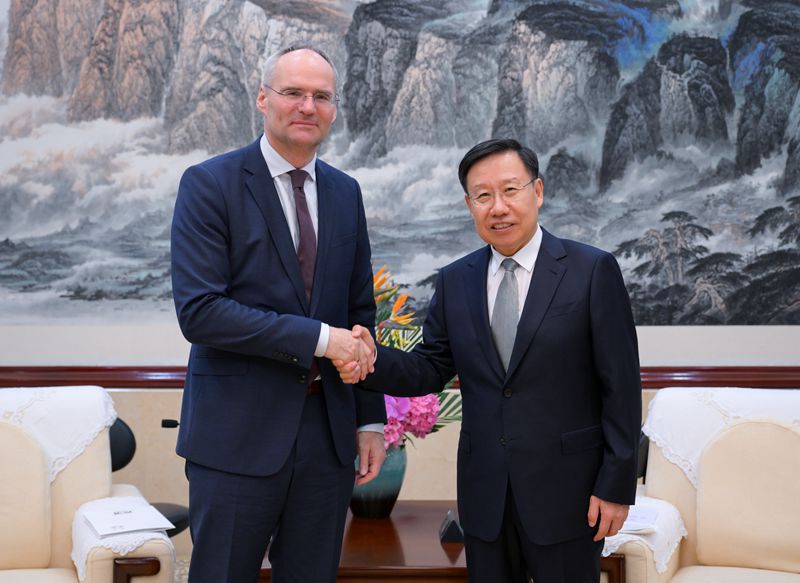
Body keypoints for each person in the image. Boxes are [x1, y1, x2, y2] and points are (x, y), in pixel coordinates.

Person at [337, 139, 641, 583]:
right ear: (469, 205)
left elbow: (622, 388)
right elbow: (429, 369)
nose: (498, 207)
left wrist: (615, 487)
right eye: (483, 196)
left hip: (569, 495)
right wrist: (369, 358)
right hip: (486, 499)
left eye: (510, 190)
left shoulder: (591, 271)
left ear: (538, 192)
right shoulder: (455, 280)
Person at [170, 45, 387, 583]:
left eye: (321, 96)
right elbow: (201, 312)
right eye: (293, 93)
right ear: (263, 98)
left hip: (326, 438)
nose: (308, 107)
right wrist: (321, 339)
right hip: (236, 435)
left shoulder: (346, 192)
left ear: (334, 109)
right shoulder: (209, 184)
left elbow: (360, 314)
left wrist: (369, 419)